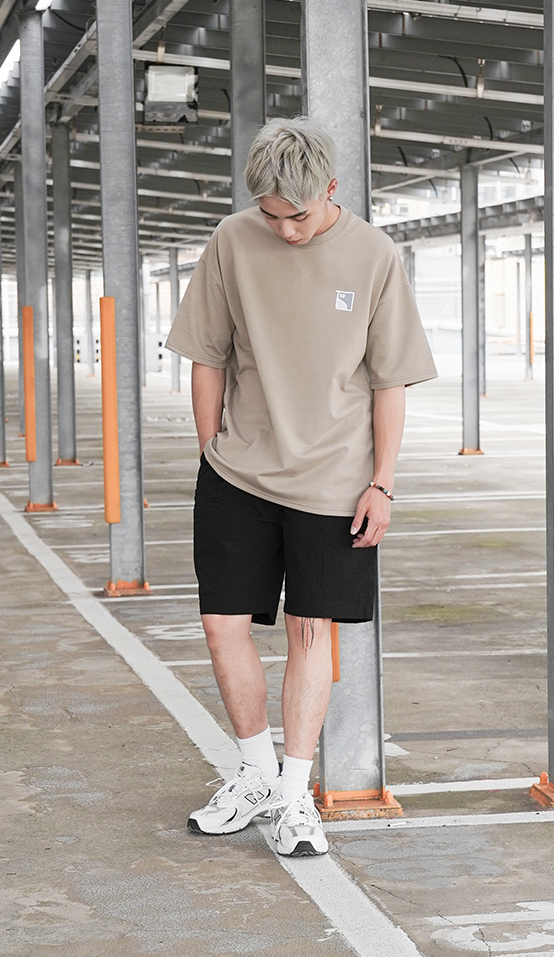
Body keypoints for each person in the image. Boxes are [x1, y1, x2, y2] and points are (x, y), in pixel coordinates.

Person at [165, 116, 437, 856]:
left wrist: (382, 484)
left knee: (310, 629)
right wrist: (210, 450)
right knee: (222, 625)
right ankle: (254, 774)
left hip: (335, 482)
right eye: (270, 215)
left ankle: (293, 793)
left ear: (332, 189)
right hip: (237, 471)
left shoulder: (374, 255)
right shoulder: (231, 241)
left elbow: (389, 381)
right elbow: (206, 355)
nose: (284, 230)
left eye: (299, 216)